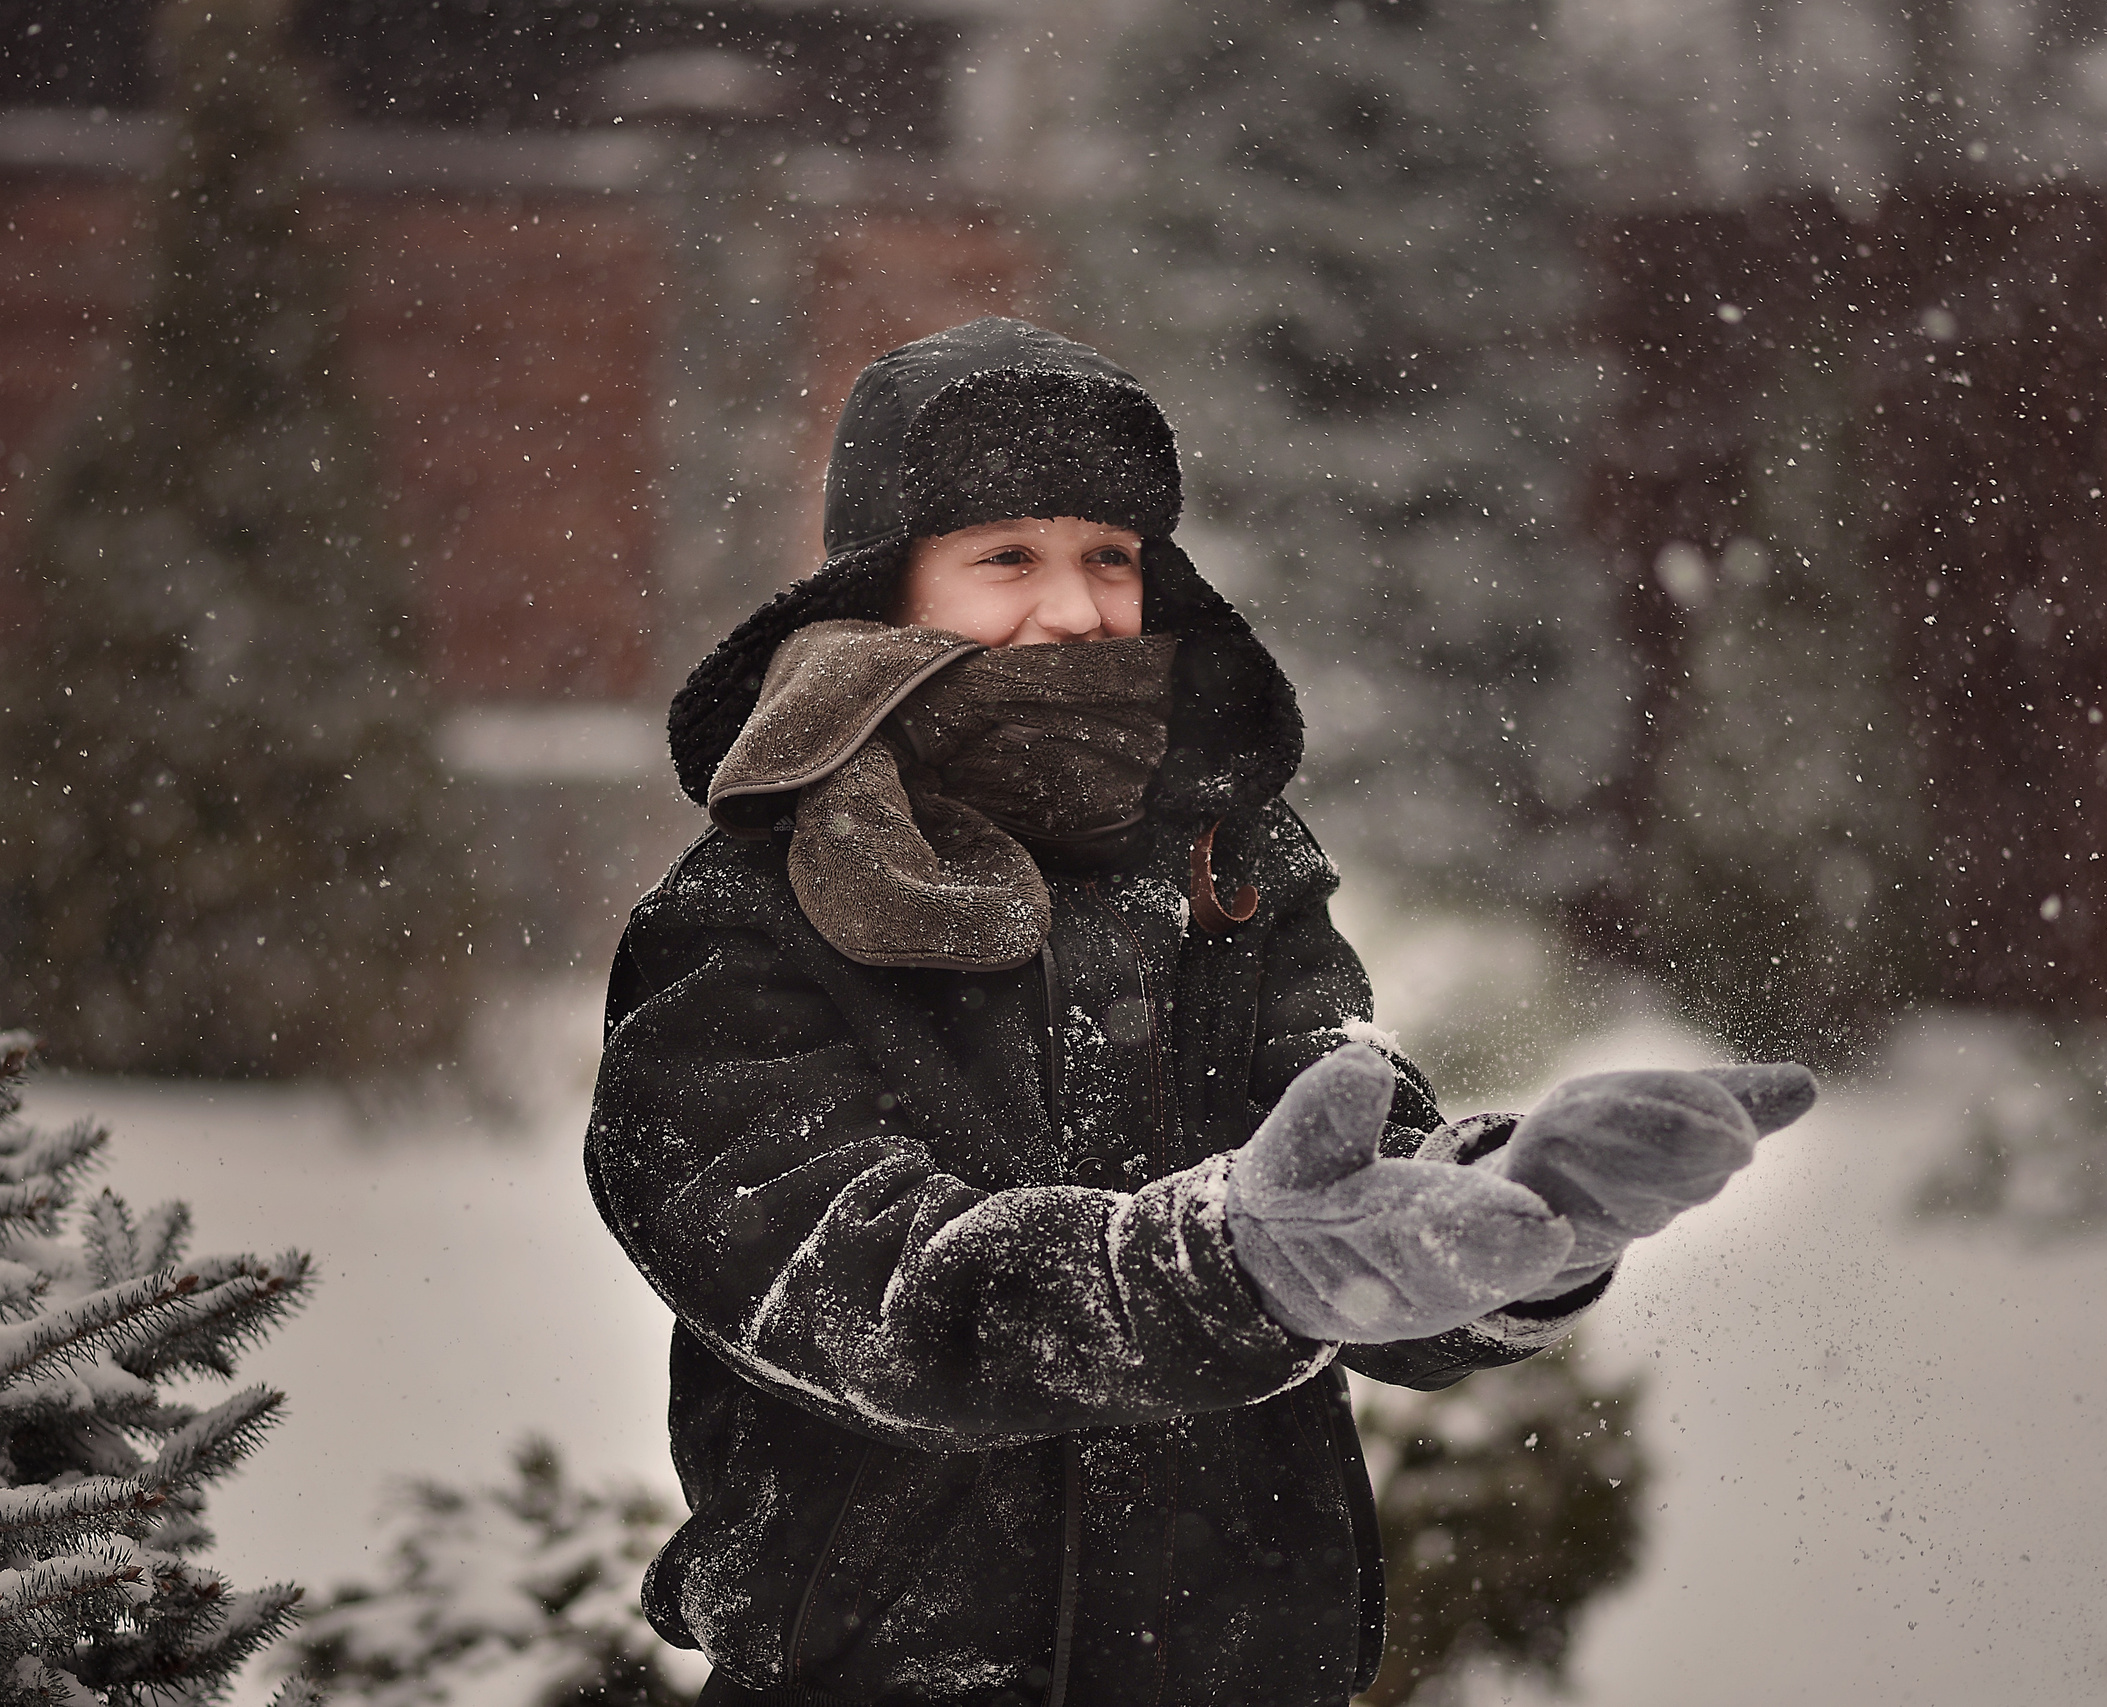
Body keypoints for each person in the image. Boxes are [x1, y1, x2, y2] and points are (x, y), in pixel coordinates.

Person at [586, 318, 1814, 1707]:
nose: (1075, 609)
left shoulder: (1232, 863)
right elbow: (855, 1290)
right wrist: (1217, 1270)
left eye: (1111, 556)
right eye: (1007, 558)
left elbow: (1346, 1185)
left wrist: (1511, 1220)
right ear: (886, 588)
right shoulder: (746, 911)